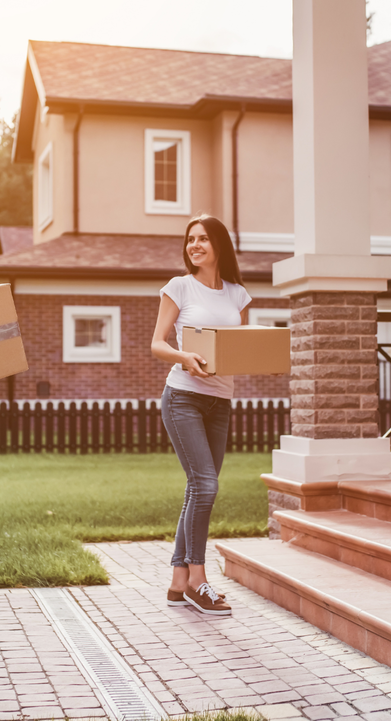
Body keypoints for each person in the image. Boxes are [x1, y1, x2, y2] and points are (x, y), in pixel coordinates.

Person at [150, 214, 250, 616]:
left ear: (219, 246)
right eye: (190, 239)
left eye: (203, 239)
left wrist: (266, 363)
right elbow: (157, 343)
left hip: (220, 401)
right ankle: (198, 579)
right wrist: (183, 356)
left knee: (198, 488)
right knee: (205, 486)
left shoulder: (237, 295)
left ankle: (178, 582)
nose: (194, 245)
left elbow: (238, 350)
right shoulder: (179, 287)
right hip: (184, 397)